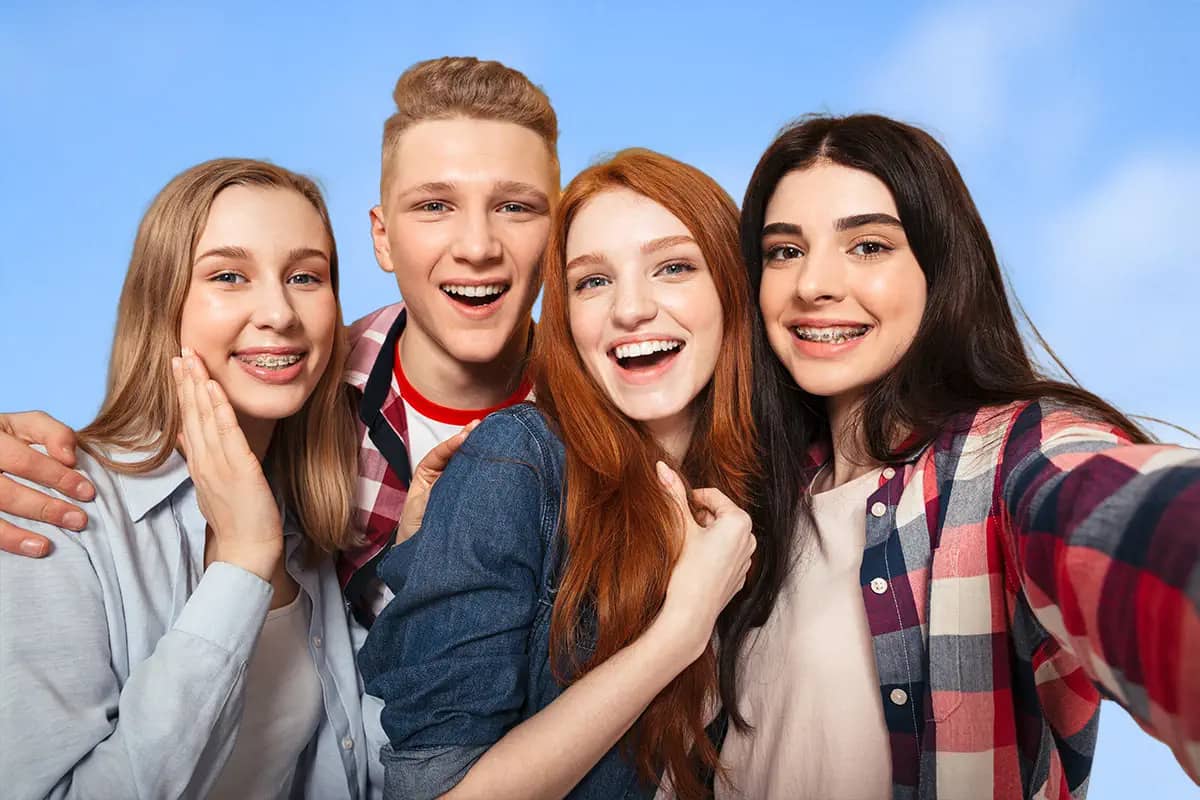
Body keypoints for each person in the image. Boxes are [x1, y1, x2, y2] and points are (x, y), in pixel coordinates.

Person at [726, 113, 1200, 799]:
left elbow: (1128, 522)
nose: (812, 284)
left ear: (939, 269)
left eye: (868, 246)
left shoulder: (1010, 459)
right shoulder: (751, 504)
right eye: (784, 251)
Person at [358, 149, 762, 800]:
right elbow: (436, 792)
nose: (630, 309)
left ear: (733, 288)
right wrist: (678, 632)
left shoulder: (769, 484)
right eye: (592, 281)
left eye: (673, 267)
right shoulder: (517, 463)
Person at [0, 158, 374, 798]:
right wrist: (243, 565)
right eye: (229, 275)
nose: (279, 312)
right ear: (162, 303)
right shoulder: (53, 507)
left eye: (305, 277)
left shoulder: (321, 516)